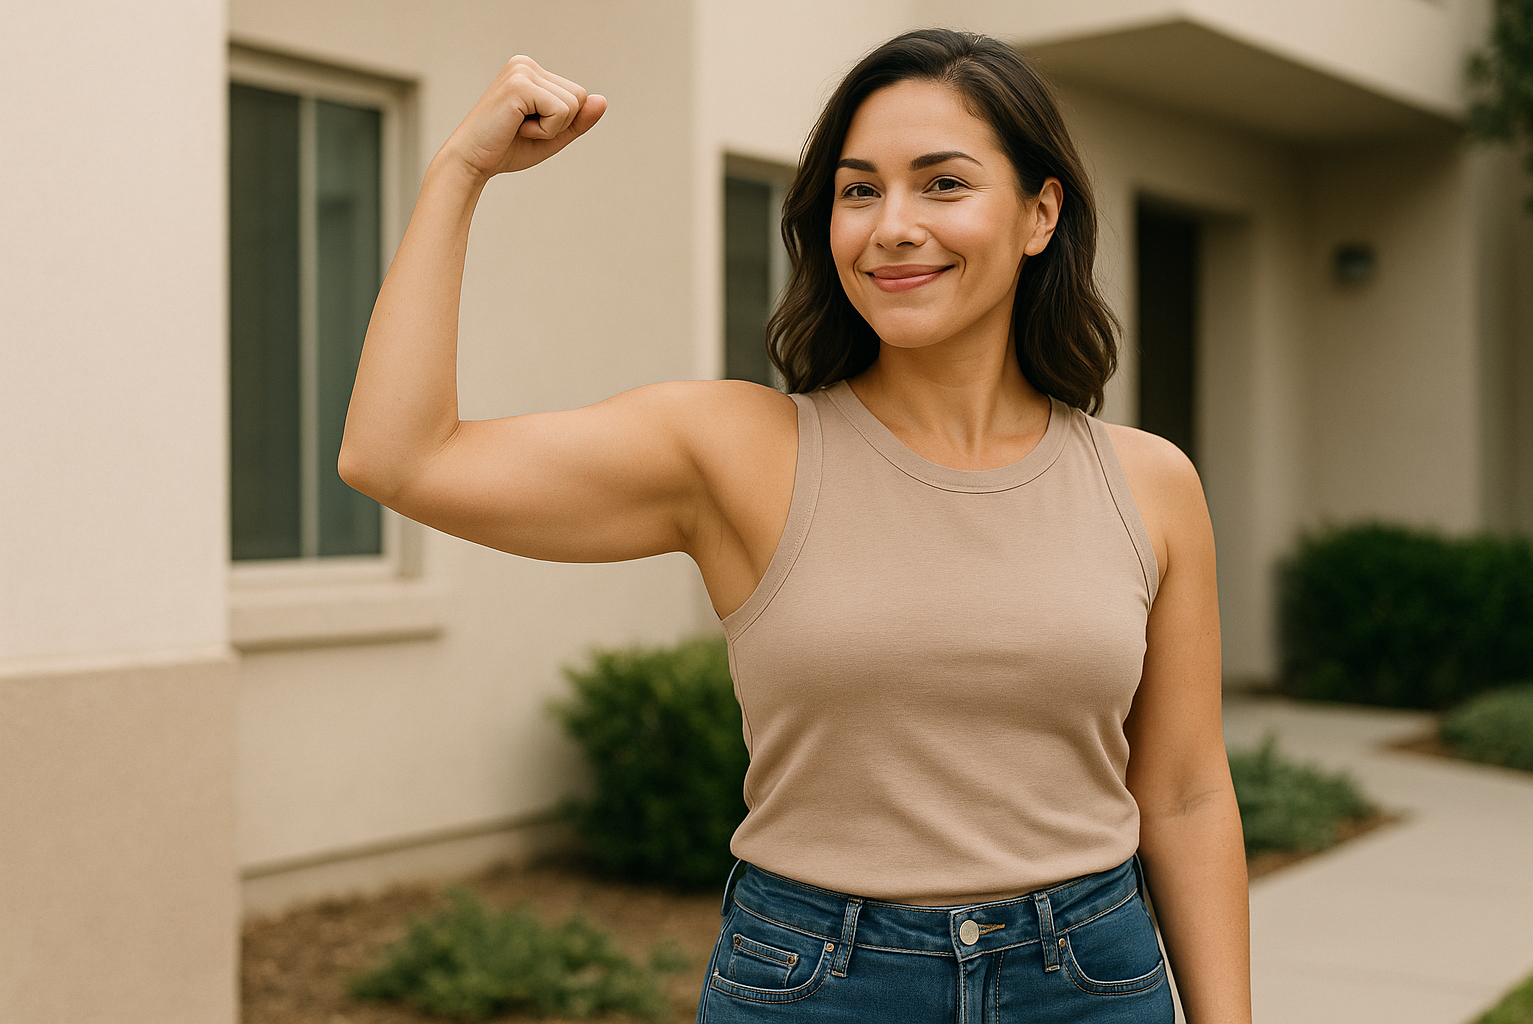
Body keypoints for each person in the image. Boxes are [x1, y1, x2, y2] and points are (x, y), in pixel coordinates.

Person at [340, 27, 1251, 1024]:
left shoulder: (1151, 483)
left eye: (942, 184)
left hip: (1090, 980)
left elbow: (1187, 794)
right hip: (819, 984)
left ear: (1041, 213)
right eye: (859, 191)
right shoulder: (740, 450)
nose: (892, 225)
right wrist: (461, 169)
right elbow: (399, 458)